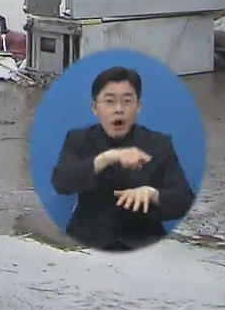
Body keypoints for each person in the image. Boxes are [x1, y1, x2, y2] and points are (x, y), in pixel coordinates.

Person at [50, 66, 195, 251]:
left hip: (144, 243)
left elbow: (184, 200)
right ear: (95, 108)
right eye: (109, 101)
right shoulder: (78, 140)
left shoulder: (159, 144)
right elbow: (61, 183)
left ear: (138, 107)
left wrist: (153, 195)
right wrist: (107, 158)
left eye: (127, 101)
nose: (119, 109)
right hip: (87, 240)